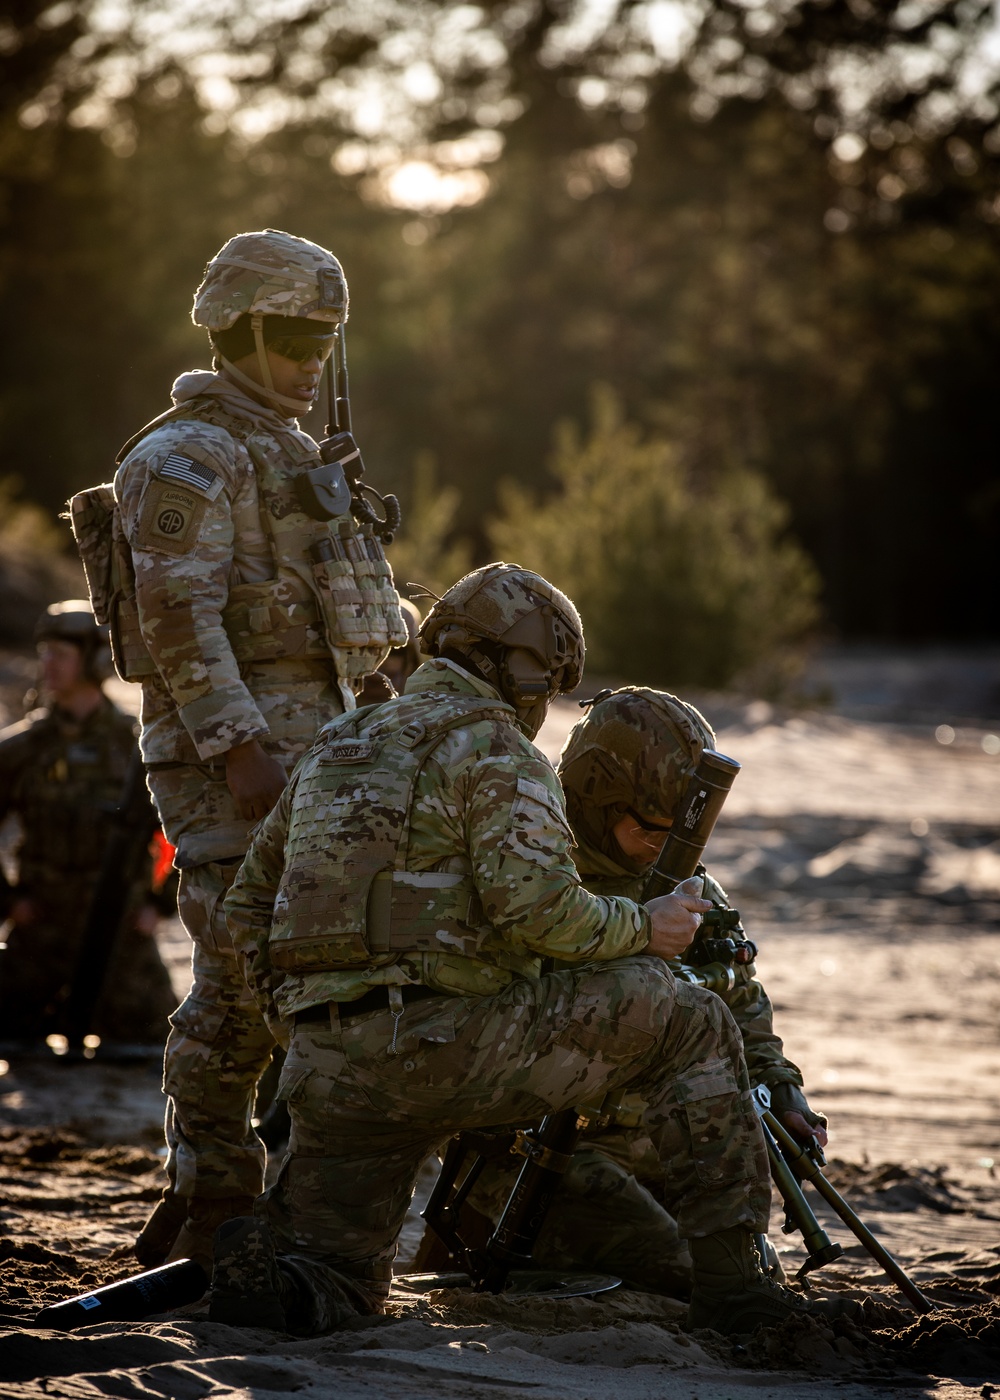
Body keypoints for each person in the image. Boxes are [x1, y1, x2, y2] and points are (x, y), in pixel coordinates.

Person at [215, 562, 823, 1337]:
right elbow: (543, 914)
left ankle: (289, 1286)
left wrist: (295, 1027)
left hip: (330, 1071)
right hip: (453, 1048)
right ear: (524, 668)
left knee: (338, 1280)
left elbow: (244, 912)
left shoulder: (337, 740)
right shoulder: (495, 748)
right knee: (690, 1018)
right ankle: (741, 1296)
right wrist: (647, 930)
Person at [83, 229, 406, 1270]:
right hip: (237, 767)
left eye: (327, 337)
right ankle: (213, 1185)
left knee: (321, 976)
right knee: (238, 974)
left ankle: (278, 1193)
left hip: (332, 757)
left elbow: (347, 605)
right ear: (243, 328)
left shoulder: (296, 452)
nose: (316, 356)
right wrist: (238, 749)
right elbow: (178, 617)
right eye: (298, 335)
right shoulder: (183, 457)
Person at [443, 686, 828, 1297]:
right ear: (600, 803)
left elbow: (738, 994)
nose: (662, 848)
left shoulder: (684, 884)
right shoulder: (537, 881)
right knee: (689, 1274)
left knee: (742, 1251)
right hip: (543, 1152)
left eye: (681, 834)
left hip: (649, 1140)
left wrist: (783, 1091)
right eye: (648, 828)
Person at [0, 601, 176, 1046]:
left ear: (96, 661)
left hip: (120, 933)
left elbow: (177, 832)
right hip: (41, 929)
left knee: (153, 1039)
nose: (46, 664)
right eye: (44, 652)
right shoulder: (22, 749)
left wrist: (159, 903)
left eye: (59, 653)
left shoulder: (140, 747)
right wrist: (8, 899)